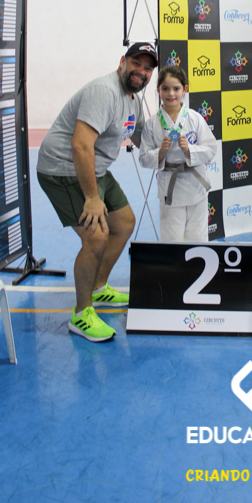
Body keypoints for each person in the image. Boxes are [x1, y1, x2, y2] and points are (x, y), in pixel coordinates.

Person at [36, 42, 158, 342]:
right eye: (136, 63)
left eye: (147, 68)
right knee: (96, 236)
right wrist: (92, 198)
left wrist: (174, 150)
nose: (141, 72)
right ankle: (81, 314)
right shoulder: (104, 92)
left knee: (124, 222)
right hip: (63, 169)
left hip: (96, 168)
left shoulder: (133, 100)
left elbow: (142, 138)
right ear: (122, 62)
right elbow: (80, 145)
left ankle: (99, 287)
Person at [139, 65, 217, 242]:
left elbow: (211, 148)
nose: (171, 94)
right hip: (170, 189)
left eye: (176, 88)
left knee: (198, 238)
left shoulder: (195, 118)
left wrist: (190, 150)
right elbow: (143, 158)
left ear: (185, 89)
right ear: (158, 90)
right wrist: (160, 153)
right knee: (171, 240)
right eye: (165, 88)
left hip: (196, 185)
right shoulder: (152, 124)